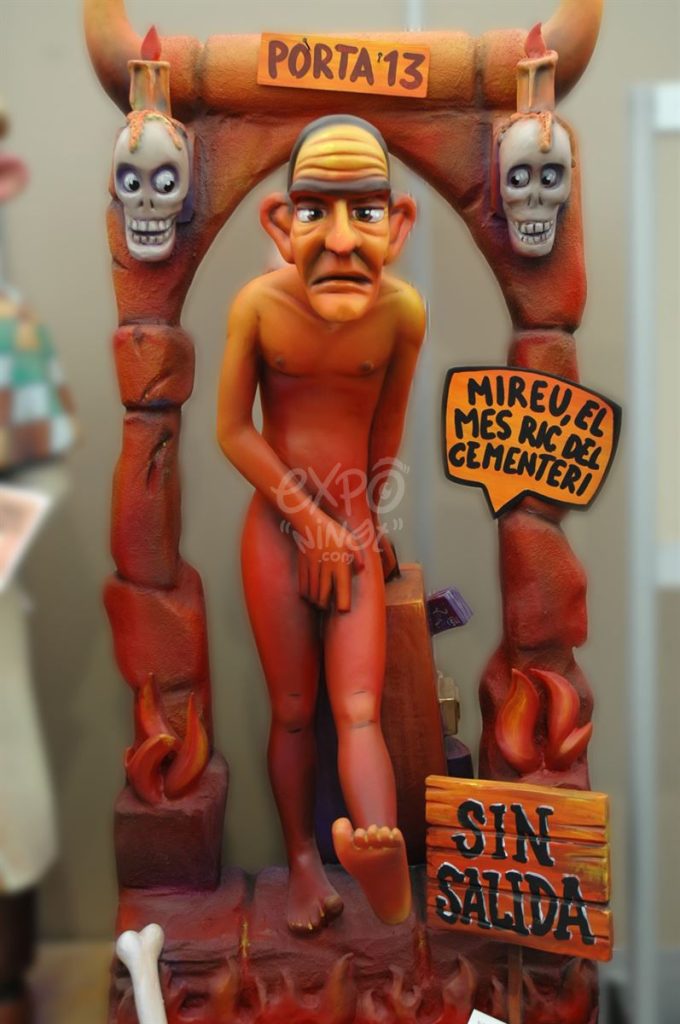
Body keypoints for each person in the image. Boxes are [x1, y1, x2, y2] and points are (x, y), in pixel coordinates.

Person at [217, 115, 425, 933]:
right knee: (296, 708)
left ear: (398, 225)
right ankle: (304, 861)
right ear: (280, 222)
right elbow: (233, 430)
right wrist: (308, 519)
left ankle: (380, 850)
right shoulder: (257, 306)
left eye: (365, 212)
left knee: (361, 706)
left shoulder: (402, 313)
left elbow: (386, 431)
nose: (340, 240)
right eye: (314, 211)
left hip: (354, 526)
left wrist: (361, 520)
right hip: (278, 532)